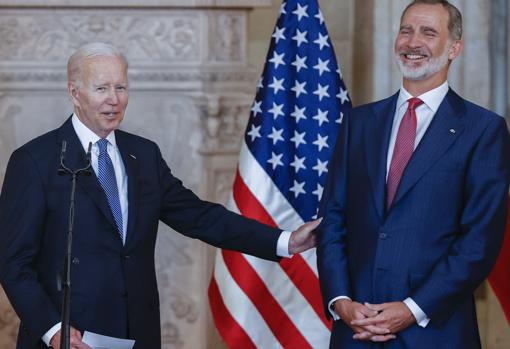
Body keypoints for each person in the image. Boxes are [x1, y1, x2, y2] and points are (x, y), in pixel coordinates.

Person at [0, 42, 320, 349]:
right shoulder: (35, 161)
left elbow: (200, 216)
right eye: (102, 89)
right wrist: (53, 328)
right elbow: (13, 263)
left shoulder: (143, 155)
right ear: (74, 93)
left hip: (138, 333)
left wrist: (285, 241)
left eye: (121, 88)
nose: (114, 99)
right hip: (70, 336)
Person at [317, 0, 510, 348]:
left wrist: (412, 308)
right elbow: (332, 218)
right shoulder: (359, 123)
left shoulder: (484, 130)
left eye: (428, 32)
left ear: (454, 48)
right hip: (355, 328)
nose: (412, 42)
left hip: (436, 332)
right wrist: (340, 301)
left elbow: (478, 242)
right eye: (406, 30)